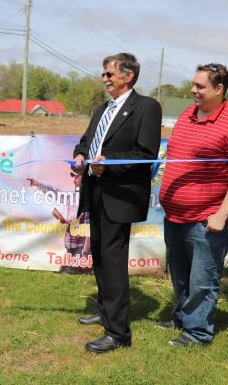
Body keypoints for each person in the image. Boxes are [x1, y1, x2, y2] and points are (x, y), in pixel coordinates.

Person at [158, 63, 228, 347]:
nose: (193, 90)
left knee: (203, 279)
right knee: (180, 274)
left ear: (219, 89)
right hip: (176, 215)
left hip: (208, 220)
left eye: (200, 86)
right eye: (194, 84)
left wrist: (221, 216)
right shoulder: (188, 114)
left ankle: (197, 333)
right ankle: (183, 317)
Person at [73, 52, 162, 353]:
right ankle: (105, 310)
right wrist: (80, 156)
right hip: (95, 190)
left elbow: (145, 153)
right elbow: (86, 141)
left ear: (128, 76)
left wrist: (108, 163)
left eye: (110, 74)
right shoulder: (103, 109)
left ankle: (118, 333)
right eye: (103, 73)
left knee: (112, 260)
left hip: (120, 195)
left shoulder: (147, 107)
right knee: (99, 254)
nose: (104, 79)